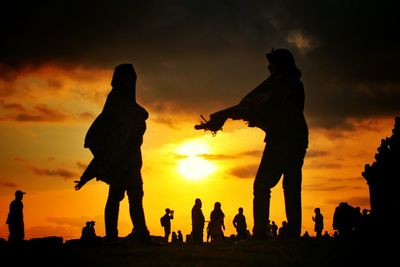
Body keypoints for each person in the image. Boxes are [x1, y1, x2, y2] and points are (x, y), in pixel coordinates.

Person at [195, 48, 308, 239]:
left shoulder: (279, 84)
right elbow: (264, 109)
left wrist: (222, 116)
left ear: (280, 65)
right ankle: (293, 233)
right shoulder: (295, 84)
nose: (268, 67)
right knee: (292, 185)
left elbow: (252, 106)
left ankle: (261, 234)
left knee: (263, 185)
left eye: (272, 64)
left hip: (282, 139)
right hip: (297, 138)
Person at [74, 63, 151, 242]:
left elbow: (138, 115)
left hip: (132, 160)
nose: (129, 81)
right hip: (119, 159)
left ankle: (142, 235)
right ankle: (111, 237)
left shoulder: (129, 102)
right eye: (125, 77)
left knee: (136, 197)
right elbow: (111, 125)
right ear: (118, 80)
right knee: (116, 196)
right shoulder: (115, 99)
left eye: (132, 78)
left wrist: (141, 115)